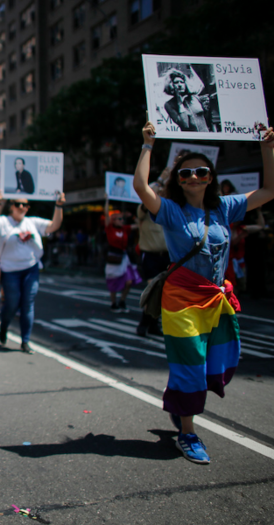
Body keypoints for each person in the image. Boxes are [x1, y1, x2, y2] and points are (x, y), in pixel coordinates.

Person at [133, 121, 274, 464]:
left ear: (210, 176)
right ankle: (188, 433)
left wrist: (267, 148)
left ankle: (179, 400)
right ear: (177, 180)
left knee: (214, 364)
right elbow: (140, 186)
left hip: (215, 299)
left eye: (200, 172)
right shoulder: (169, 210)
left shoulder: (226, 207)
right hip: (180, 301)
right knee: (191, 367)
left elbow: (269, 190)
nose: (193, 177)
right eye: (185, 174)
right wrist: (148, 144)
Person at [0, 192, 65, 353]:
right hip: (10, 271)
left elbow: (53, 226)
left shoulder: (33, 222)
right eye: (17, 204)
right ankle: (4, 327)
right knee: (12, 304)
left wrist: (58, 206)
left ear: (28, 207)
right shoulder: (2, 222)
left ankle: (25, 341)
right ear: (11, 206)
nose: (21, 207)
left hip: (31, 269)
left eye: (25, 205)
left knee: (27, 304)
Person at [136, 170, 171, 335]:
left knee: (163, 293)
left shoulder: (168, 210)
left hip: (167, 256)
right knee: (154, 290)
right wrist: (160, 180)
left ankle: (153, 324)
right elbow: (146, 194)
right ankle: (143, 324)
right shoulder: (143, 210)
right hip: (150, 255)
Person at [103, 200, 141, 313]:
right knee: (113, 280)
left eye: (122, 219)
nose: (121, 221)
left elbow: (139, 225)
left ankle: (122, 301)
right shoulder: (110, 228)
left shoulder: (125, 229)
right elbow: (106, 214)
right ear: (113, 220)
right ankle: (113, 303)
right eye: (119, 219)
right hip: (114, 258)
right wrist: (107, 200)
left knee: (129, 281)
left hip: (125, 258)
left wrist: (133, 216)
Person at [162, 68, 214, 133]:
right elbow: (185, 125)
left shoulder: (195, 98)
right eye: (176, 82)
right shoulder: (169, 104)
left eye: (182, 82)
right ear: (171, 85)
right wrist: (179, 102)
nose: (180, 85)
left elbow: (208, 119)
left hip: (205, 136)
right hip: (191, 140)